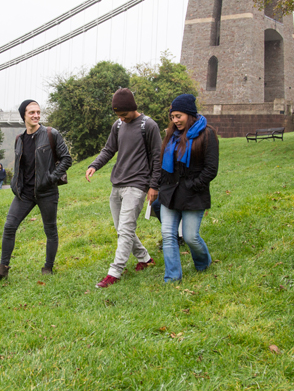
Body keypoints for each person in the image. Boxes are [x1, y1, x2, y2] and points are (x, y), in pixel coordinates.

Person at [0, 99, 72, 280]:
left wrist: (51, 178)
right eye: (32, 112)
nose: (36, 115)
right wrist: (15, 184)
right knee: (9, 226)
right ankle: (2, 269)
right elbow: (20, 166)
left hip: (47, 192)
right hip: (25, 194)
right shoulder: (20, 139)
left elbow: (66, 159)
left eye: (38, 112)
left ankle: (48, 267)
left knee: (50, 230)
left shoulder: (51, 134)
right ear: (23, 115)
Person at [86, 88, 162, 288]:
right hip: (118, 183)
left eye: (124, 114)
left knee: (126, 230)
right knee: (121, 228)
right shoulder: (118, 125)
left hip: (137, 184)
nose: (122, 118)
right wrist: (94, 165)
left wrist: (154, 186)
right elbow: (109, 149)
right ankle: (145, 259)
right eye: (118, 115)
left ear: (133, 108)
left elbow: (157, 157)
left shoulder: (149, 125)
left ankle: (115, 272)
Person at [158, 94, 219, 282]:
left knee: (191, 237)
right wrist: (159, 186)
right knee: (168, 235)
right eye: (172, 117)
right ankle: (172, 277)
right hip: (170, 193)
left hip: (193, 194)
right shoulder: (171, 135)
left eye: (179, 116)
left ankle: (203, 264)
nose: (175, 121)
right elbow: (163, 165)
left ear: (190, 114)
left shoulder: (207, 134)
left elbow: (211, 169)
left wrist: (193, 185)